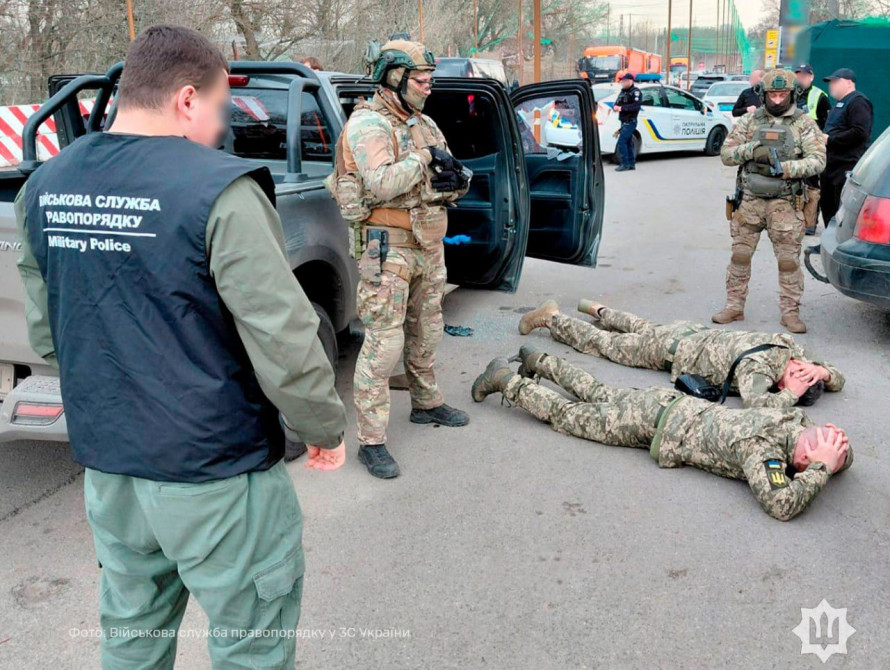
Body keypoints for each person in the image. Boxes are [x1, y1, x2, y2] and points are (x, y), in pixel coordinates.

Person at [15, 25, 347, 668]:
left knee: (132, 638)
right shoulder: (219, 189)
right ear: (188, 99)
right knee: (252, 644)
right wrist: (322, 427)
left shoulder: (46, 184)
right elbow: (282, 334)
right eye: (222, 107)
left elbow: (49, 332)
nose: (220, 126)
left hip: (111, 469)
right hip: (215, 472)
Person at [471, 352, 852, 521]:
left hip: (668, 405)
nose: (814, 434)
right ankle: (506, 381)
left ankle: (539, 360)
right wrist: (822, 468)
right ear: (801, 465)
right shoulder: (763, 451)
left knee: (597, 391)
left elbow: (834, 450)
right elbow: (781, 504)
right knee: (568, 415)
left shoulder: (787, 419)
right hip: (654, 424)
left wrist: (829, 456)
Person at [332, 39, 471, 479]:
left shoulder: (425, 124)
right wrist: (425, 161)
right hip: (384, 247)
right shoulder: (369, 124)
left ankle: (426, 403)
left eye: (430, 80)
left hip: (428, 243)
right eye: (421, 80)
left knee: (427, 328)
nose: (429, 88)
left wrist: (454, 179)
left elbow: (453, 176)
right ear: (394, 77)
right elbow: (381, 181)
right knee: (383, 342)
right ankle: (371, 441)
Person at [518, 300, 844, 409]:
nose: (803, 367)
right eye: (806, 370)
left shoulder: (785, 346)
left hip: (687, 333)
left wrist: (824, 373)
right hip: (671, 349)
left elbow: (834, 377)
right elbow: (761, 406)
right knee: (607, 346)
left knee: (642, 327)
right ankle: (552, 318)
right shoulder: (758, 371)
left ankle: (597, 308)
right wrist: (794, 392)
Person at [714, 69, 826, 334]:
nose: (777, 100)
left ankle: (790, 313)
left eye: (782, 94)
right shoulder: (750, 121)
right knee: (740, 256)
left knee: (788, 261)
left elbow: (818, 161)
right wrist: (751, 150)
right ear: (763, 94)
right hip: (750, 201)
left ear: (792, 94)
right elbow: (726, 154)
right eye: (772, 94)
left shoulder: (804, 124)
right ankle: (734, 306)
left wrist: (785, 168)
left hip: (785, 203)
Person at [820, 68, 874, 228]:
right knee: (827, 203)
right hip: (831, 164)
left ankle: (838, 242)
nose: (831, 85)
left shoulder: (858, 102)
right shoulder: (840, 103)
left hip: (846, 164)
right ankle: (827, 241)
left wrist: (830, 139)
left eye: (836, 81)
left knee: (840, 206)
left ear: (849, 83)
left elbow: (860, 132)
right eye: (831, 82)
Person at [794, 64, 831, 236]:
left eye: (804, 76)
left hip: (811, 148)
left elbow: (827, 124)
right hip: (792, 148)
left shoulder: (819, 97)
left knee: (811, 186)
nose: (801, 79)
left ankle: (810, 223)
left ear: (811, 77)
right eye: (798, 76)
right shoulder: (790, 94)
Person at [612, 72, 642, 172]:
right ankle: (631, 164)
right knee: (628, 143)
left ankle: (624, 164)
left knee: (621, 142)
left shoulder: (635, 92)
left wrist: (622, 108)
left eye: (625, 81)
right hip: (623, 121)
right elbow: (617, 103)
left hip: (630, 121)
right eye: (622, 81)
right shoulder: (623, 92)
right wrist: (615, 107)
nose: (623, 83)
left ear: (630, 81)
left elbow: (636, 106)